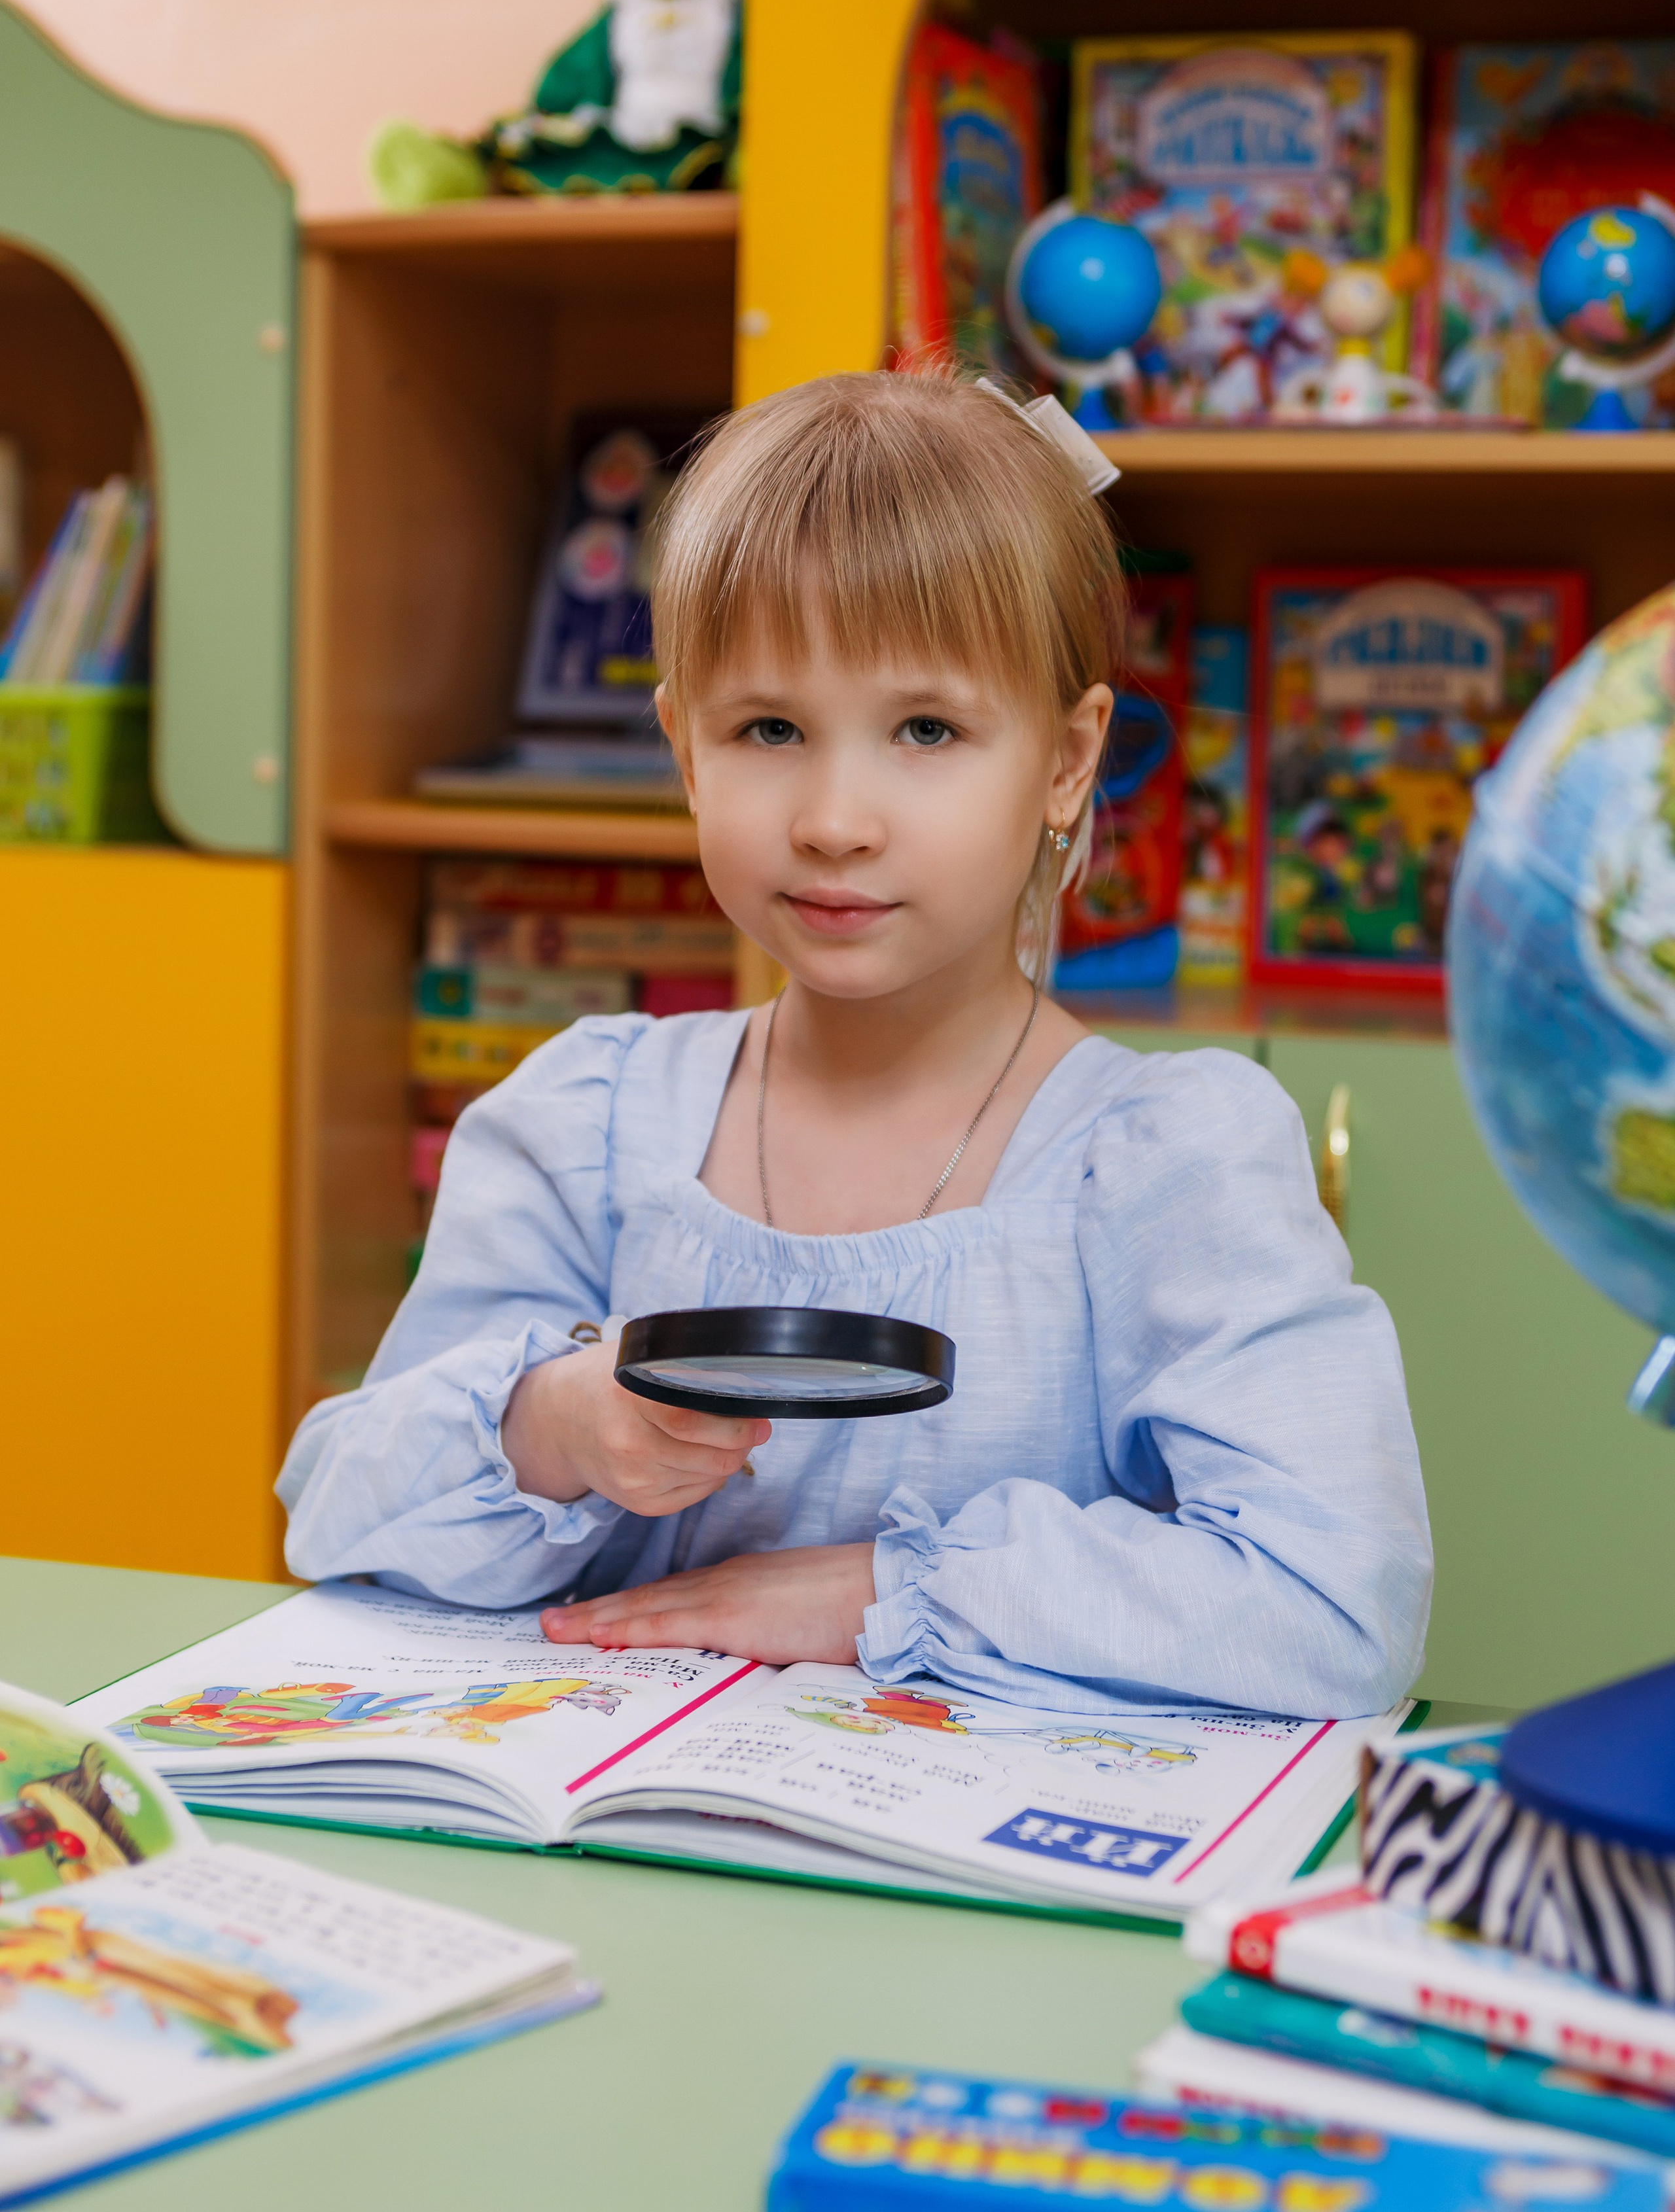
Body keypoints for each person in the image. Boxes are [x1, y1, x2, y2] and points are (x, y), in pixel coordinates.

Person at [279, 371, 1430, 1718]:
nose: (834, 820)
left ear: (1067, 763)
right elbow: (336, 1512)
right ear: (685, 750)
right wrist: (554, 1423)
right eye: (768, 729)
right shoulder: (588, 1123)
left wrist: (881, 1592)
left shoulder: (1163, 1162)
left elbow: (1336, 1604)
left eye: (926, 730)